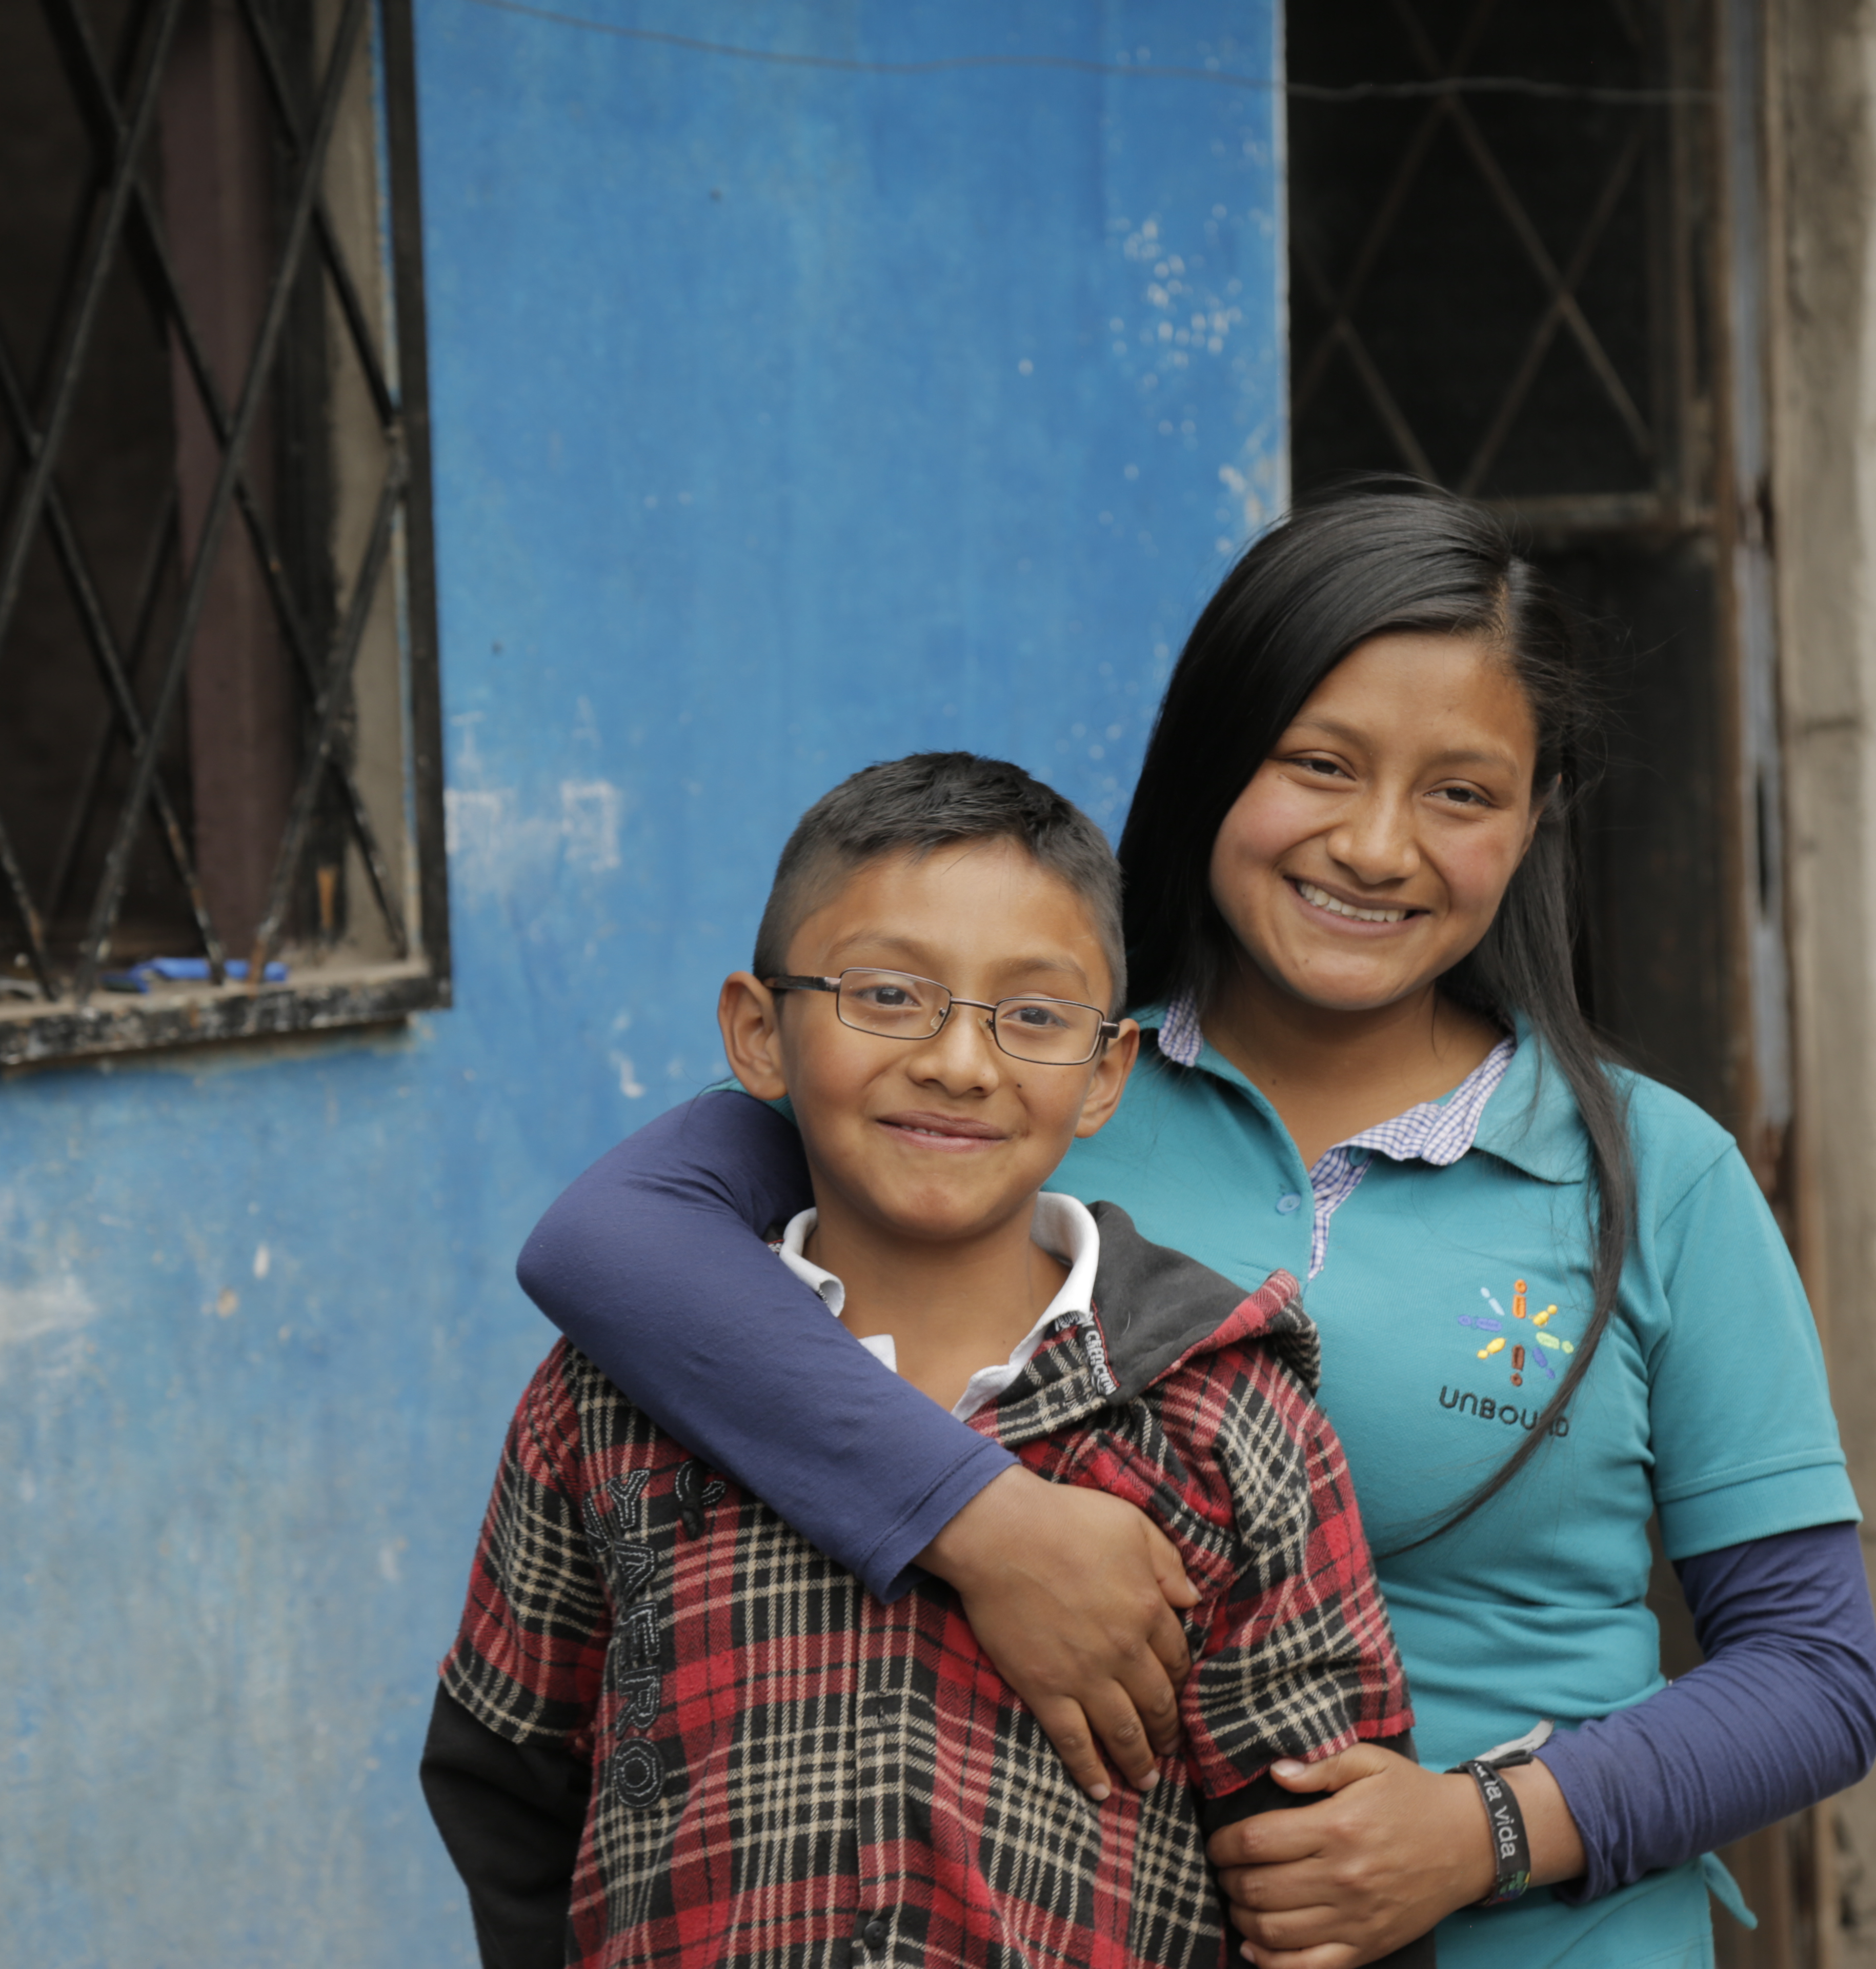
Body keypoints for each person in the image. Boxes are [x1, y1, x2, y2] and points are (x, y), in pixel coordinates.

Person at [518, 484, 1876, 1969]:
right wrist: (990, 1528)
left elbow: (1815, 1677)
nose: (1377, 846)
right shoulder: (1025, 1087)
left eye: (1463, 794)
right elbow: (607, 1245)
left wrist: (1481, 1830)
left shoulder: (1650, 1171)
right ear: (1215, 755)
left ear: (1537, 818)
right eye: (1320, 764)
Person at [420, 754, 1422, 1969]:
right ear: (759, 1032)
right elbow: (505, 1768)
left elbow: (1319, 1866)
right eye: (888, 995)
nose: (959, 1060)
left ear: (1106, 1073)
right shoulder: (609, 1400)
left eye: (1035, 1015)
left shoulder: (1226, 1417)